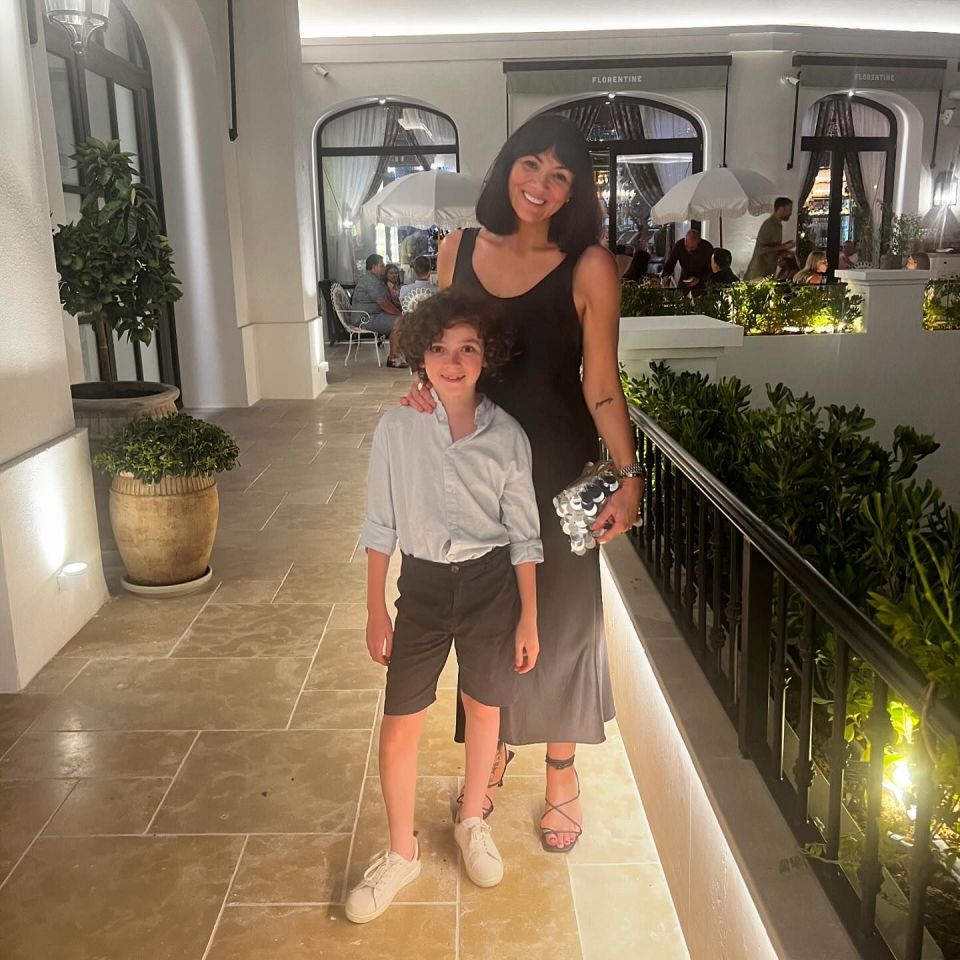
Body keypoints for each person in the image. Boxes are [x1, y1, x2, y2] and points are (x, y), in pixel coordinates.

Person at [401, 113, 644, 853]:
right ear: (507, 166)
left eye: (561, 175)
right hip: (473, 465)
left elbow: (599, 379)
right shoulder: (459, 250)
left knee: (564, 620)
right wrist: (424, 386)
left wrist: (629, 473)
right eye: (531, 165)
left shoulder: (590, 265)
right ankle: (493, 743)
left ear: (576, 191)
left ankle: (563, 768)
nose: (541, 185)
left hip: (555, 464)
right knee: (487, 611)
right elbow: (443, 350)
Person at [346, 287, 542, 923]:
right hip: (424, 588)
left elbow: (525, 536)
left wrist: (529, 616)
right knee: (402, 716)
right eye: (438, 349)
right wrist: (376, 607)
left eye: (467, 349)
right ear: (418, 356)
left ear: (487, 357)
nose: (452, 362)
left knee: (484, 706)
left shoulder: (507, 437)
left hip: (490, 588)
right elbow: (381, 524)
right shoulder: (398, 427)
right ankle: (401, 850)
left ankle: (471, 817)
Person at [351, 254, 405, 367]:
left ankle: (400, 354)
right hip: (365, 318)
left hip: (374, 315)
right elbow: (383, 303)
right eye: (382, 265)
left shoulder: (377, 280)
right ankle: (393, 358)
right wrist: (400, 314)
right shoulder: (371, 281)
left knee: (403, 320)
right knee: (399, 321)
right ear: (374, 267)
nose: (385, 268)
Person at [744, 197, 795, 281]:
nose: (790, 213)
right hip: (758, 274)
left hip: (765, 273)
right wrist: (783, 247)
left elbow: (771, 247)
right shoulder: (769, 224)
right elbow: (760, 249)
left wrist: (784, 249)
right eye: (789, 209)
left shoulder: (777, 225)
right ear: (781, 209)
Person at [660, 229, 714, 294]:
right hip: (685, 276)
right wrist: (665, 275)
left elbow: (711, 268)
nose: (688, 249)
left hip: (701, 278)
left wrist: (700, 279)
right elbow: (671, 262)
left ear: (699, 242)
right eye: (686, 246)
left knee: (700, 301)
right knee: (678, 298)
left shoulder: (707, 248)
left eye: (692, 247)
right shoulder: (679, 245)